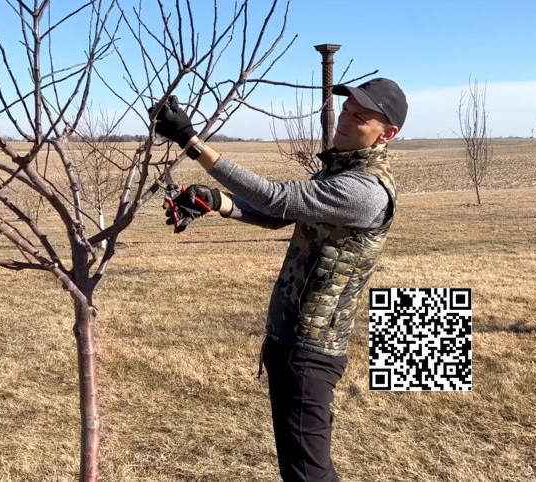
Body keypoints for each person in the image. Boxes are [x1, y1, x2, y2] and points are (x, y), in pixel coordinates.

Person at [149, 78, 408, 482]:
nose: (345, 118)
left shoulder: (365, 190)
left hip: (309, 349)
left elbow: (278, 198)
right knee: (305, 467)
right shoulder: (338, 173)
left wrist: (191, 142)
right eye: (346, 108)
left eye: (360, 116)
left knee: (308, 474)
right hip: (293, 343)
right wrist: (217, 202)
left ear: (386, 135)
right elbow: (276, 216)